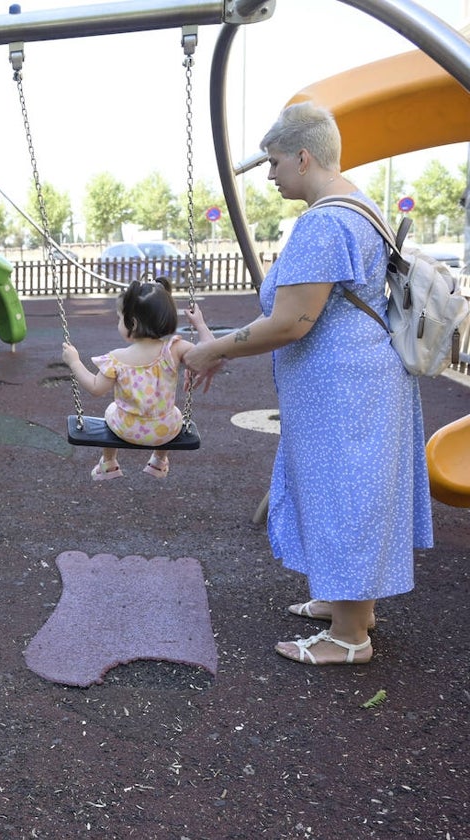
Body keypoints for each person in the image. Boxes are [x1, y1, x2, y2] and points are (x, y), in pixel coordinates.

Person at [181, 102, 433, 667]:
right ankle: (352, 609)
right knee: (356, 493)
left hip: (343, 391)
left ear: (303, 155)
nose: (270, 176)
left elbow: (293, 321)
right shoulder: (360, 206)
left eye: (273, 163)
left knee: (343, 496)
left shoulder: (324, 221)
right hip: (361, 382)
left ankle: (349, 639)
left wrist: (213, 348)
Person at [61, 276, 212, 480]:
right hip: (165, 430)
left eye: (119, 317)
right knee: (173, 412)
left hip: (126, 429)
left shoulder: (117, 358)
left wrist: (74, 362)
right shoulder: (175, 349)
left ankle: (109, 464)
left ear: (131, 322)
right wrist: (200, 324)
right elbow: (210, 352)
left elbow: (96, 389)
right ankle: (159, 461)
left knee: (111, 410)